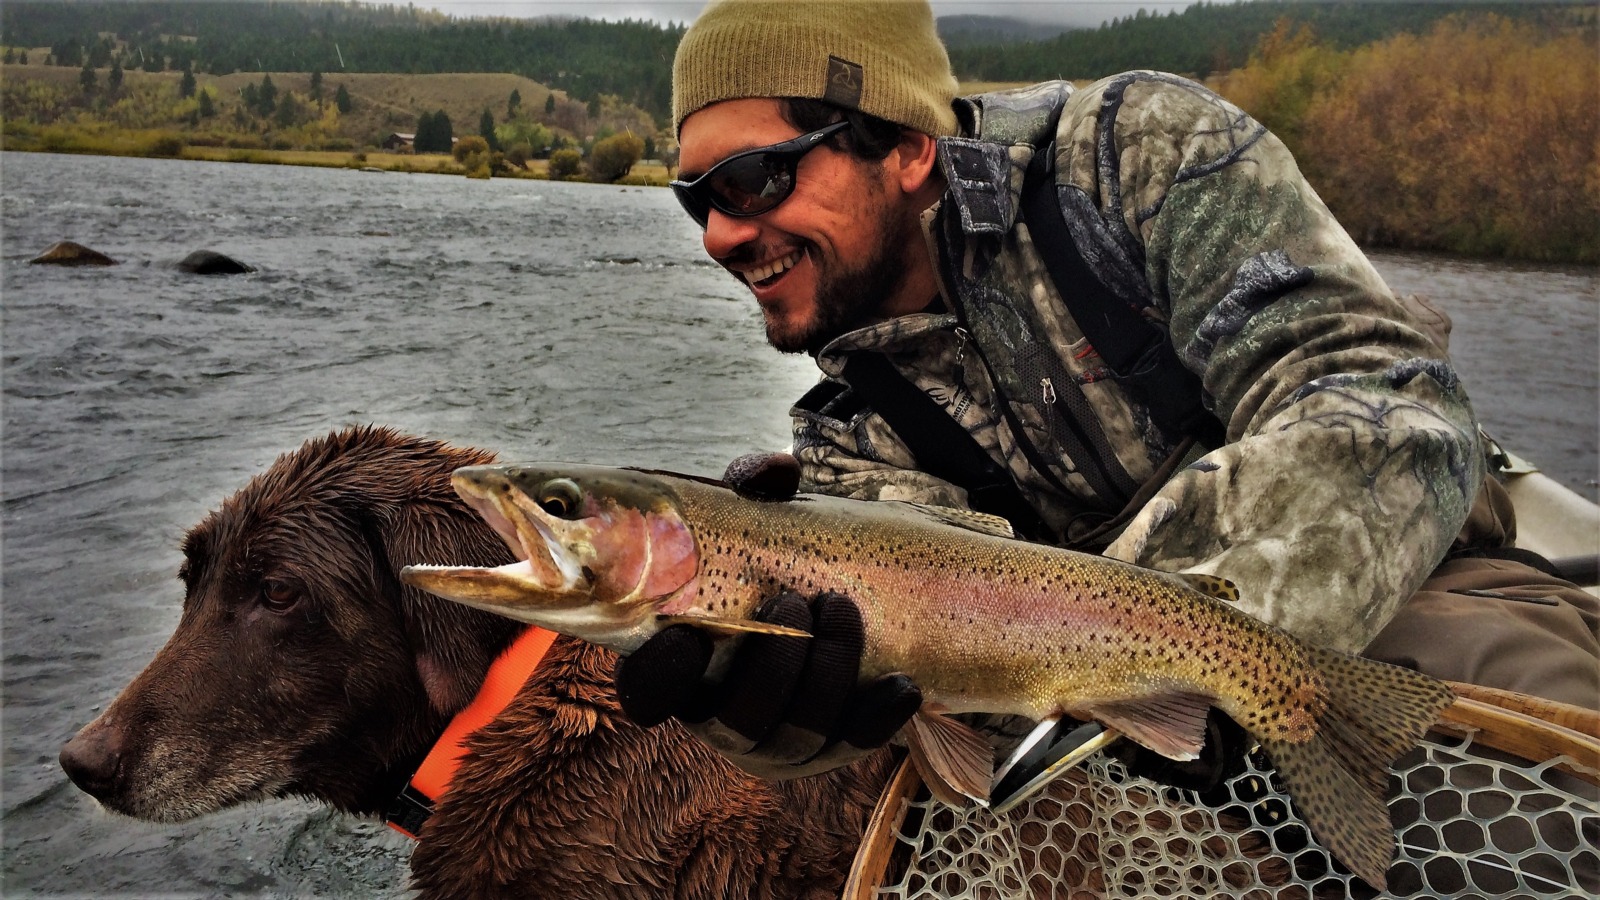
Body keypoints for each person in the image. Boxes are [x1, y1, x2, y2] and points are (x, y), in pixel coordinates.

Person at [612, 0, 1600, 788]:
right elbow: (941, 691)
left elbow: (1379, 407)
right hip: (1108, 725)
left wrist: (1173, 643)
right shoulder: (842, 439)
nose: (717, 238)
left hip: (1412, 590)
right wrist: (784, 727)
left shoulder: (1137, 155)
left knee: (1526, 797)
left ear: (907, 148)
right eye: (694, 200)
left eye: (749, 182)